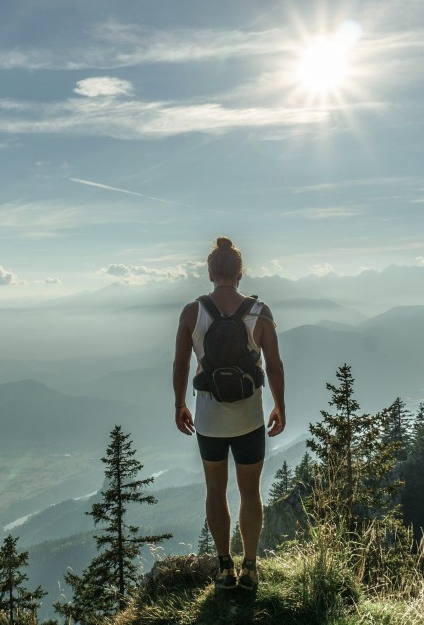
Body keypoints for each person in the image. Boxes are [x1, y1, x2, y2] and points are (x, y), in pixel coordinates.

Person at [172, 236, 286, 592]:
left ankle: (224, 568)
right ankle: (250, 567)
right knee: (250, 493)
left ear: (210, 273)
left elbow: (180, 363)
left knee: (215, 491)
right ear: (240, 273)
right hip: (249, 418)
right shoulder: (260, 312)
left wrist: (179, 404)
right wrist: (280, 405)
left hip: (209, 419)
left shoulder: (192, 312)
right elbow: (275, 365)